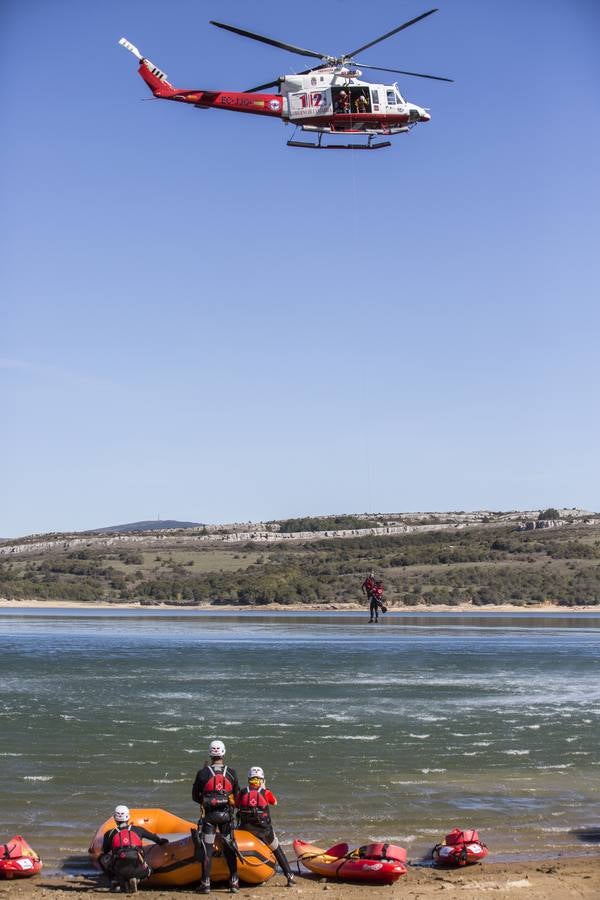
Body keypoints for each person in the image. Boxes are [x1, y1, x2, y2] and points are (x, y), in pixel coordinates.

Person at [192, 739, 240, 895]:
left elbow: (195, 796)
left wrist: (206, 801)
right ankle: (234, 881)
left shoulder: (202, 773)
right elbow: (237, 796)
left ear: (210, 754)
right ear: (223, 753)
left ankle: (205, 883)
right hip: (226, 817)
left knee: (208, 849)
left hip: (210, 817)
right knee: (229, 847)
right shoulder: (232, 773)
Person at [236, 766, 295, 888]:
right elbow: (275, 802)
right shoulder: (266, 792)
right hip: (264, 831)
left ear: (249, 779)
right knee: (277, 848)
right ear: (262, 780)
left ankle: (234, 877)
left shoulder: (242, 792)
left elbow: (237, 805)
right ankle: (289, 876)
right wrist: (264, 788)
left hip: (245, 829)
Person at [100, 804, 168, 893]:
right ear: (128, 817)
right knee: (151, 870)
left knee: (101, 858)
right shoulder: (138, 830)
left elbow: (105, 851)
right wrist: (163, 842)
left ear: (115, 818)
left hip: (119, 870)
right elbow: (156, 839)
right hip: (139, 869)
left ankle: (115, 881)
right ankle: (137, 880)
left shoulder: (109, 833)